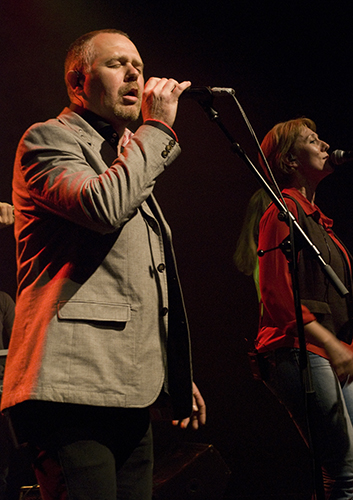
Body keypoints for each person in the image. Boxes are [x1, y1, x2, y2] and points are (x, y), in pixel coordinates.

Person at [0, 29, 206, 500]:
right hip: (67, 387)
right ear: (78, 83)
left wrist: (173, 371)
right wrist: (156, 131)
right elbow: (102, 207)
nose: (136, 72)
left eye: (138, 63)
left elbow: (135, 281)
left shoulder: (122, 156)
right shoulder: (47, 139)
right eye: (117, 64)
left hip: (126, 390)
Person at [254, 117, 353, 499]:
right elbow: (277, 296)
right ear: (290, 160)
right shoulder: (281, 213)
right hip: (299, 351)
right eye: (313, 140)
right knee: (344, 471)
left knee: (347, 469)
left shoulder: (319, 223)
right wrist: (330, 344)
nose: (326, 145)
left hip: (330, 352)